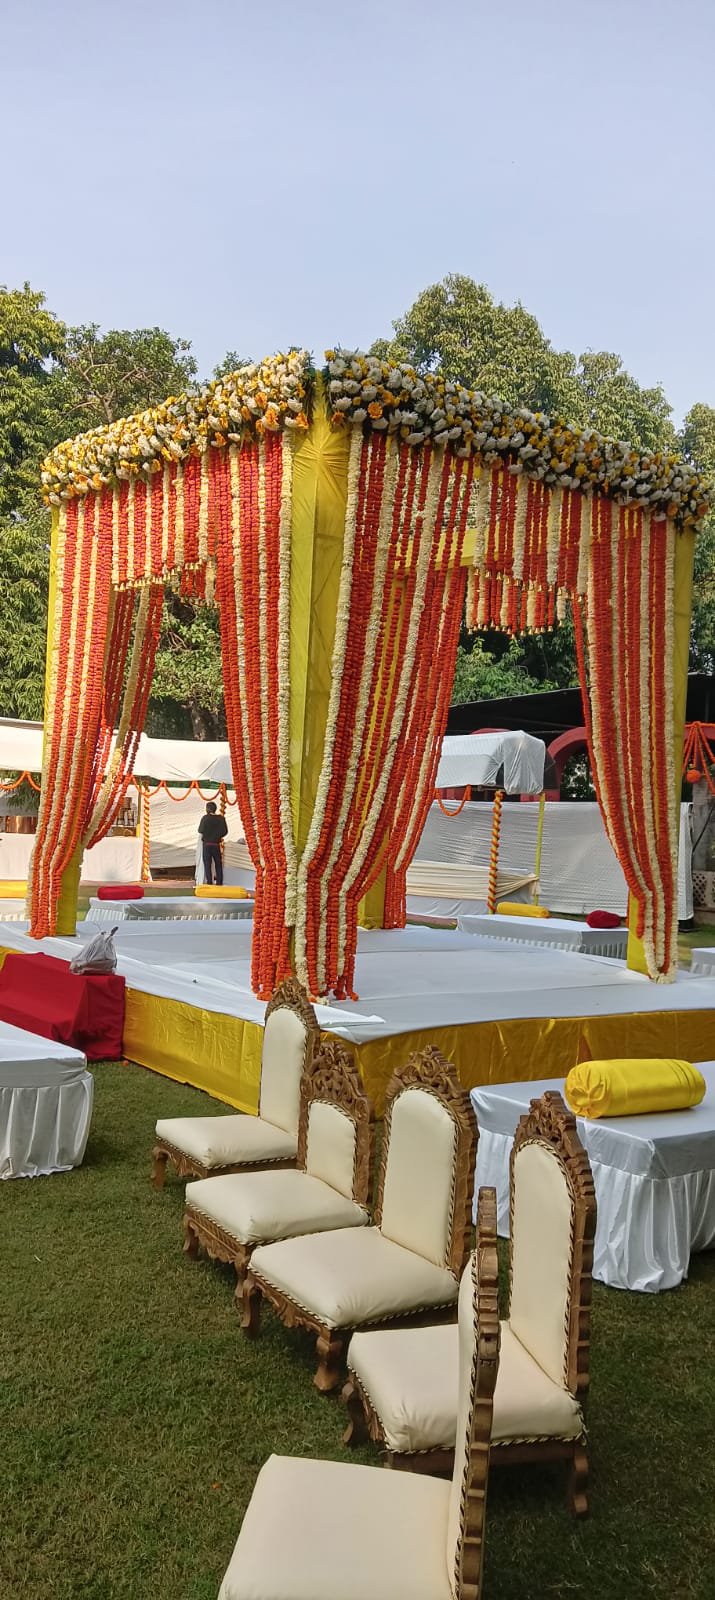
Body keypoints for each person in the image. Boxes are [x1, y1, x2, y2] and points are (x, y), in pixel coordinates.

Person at [198, 800, 228, 885]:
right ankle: (219, 882)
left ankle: (209, 882)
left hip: (207, 844)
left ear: (207, 809)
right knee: (218, 864)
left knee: (207, 864)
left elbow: (200, 830)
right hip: (216, 844)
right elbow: (225, 831)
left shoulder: (205, 818)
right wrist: (218, 836)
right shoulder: (221, 818)